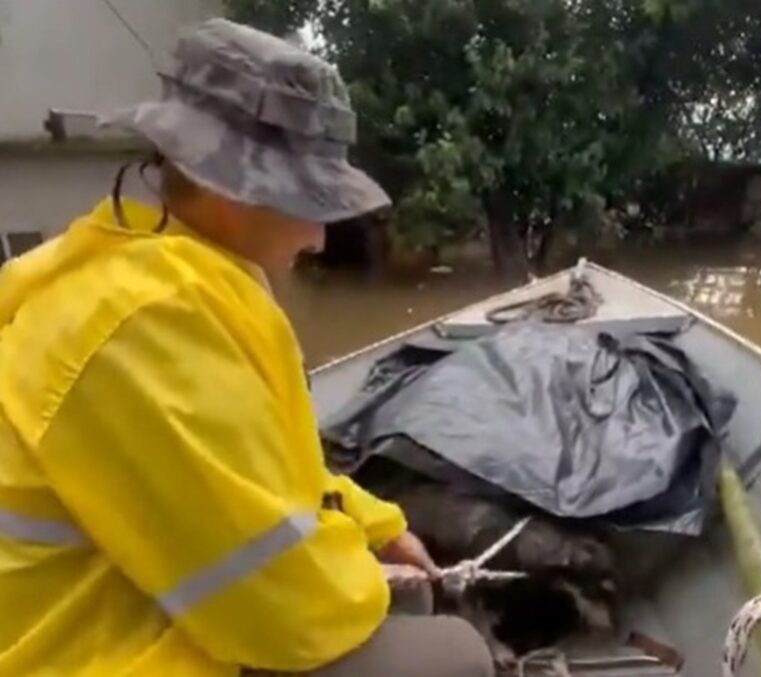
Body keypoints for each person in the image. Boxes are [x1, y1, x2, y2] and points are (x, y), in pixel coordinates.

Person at [0, 18, 494, 677]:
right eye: (308, 201)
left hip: (128, 607)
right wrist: (372, 575)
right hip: (99, 656)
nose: (319, 238)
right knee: (455, 653)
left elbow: (265, 470)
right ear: (231, 187)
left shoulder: (148, 274)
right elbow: (284, 612)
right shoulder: (145, 324)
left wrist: (376, 524)